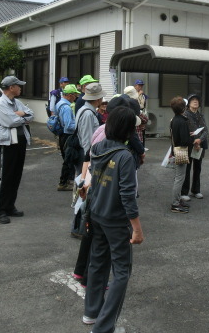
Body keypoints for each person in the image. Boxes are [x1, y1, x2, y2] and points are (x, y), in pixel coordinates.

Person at [82, 106, 144, 332]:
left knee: (97, 263)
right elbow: (127, 195)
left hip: (96, 214)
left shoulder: (98, 147)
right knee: (121, 272)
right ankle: (104, 327)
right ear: (128, 130)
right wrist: (136, 228)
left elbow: (94, 180)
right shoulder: (124, 156)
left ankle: (91, 312)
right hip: (115, 220)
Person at [0, 76, 33, 224]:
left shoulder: (16, 102)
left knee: (16, 175)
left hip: (20, 141)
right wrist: (22, 116)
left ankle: (10, 206)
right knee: (6, 176)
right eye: (18, 85)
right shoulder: (1, 103)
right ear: (11, 88)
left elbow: (31, 113)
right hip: (7, 143)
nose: (20, 88)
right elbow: (10, 121)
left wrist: (21, 115)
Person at [182, 93, 208, 201]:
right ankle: (184, 192)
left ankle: (196, 190)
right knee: (186, 169)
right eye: (193, 100)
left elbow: (205, 130)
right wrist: (194, 141)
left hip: (200, 145)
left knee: (198, 168)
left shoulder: (200, 115)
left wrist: (200, 140)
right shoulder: (185, 115)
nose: (195, 101)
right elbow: (184, 131)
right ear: (188, 103)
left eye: (197, 100)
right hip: (189, 145)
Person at [169, 97, 192, 214]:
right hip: (182, 151)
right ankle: (175, 203)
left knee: (178, 177)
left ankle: (177, 201)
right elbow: (184, 140)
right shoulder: (182, 121)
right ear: (184, 108)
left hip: (175, 150)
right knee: (179, 178)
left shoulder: (174, 119)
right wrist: (191, 137)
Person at [76, 83, 105, 176]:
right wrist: (89, 160)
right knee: (85, 183)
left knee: (82, 182)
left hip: (85, 154)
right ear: (97, 99)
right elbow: (87, 140)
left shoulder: (84, 110)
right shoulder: (88, 114)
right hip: (87, 155)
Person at [57, 84, 80, 191]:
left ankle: (66, 181)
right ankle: (64, 183)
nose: (76, 97)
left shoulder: (60, 103)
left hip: (63, 135)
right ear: (70, 95)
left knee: (68, 159)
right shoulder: (66, 107)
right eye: (75, 95)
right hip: (67, 136)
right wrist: (79, 125)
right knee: (68, 160)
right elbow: (68, 125)